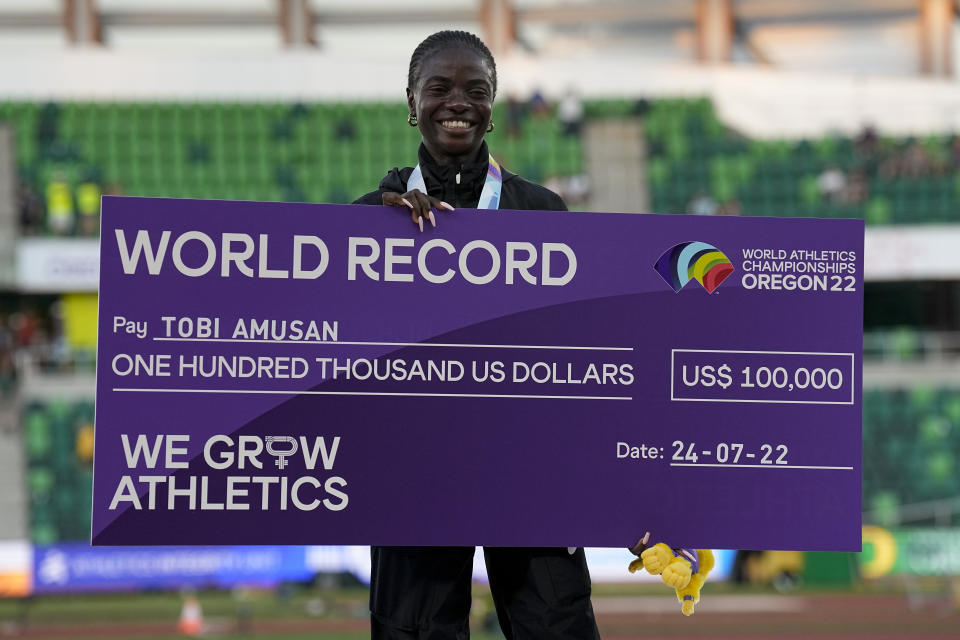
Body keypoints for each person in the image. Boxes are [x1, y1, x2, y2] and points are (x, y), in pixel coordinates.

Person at [353, 30, 601, 640]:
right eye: (438, 88)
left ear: (493, 108)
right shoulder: (367, 220)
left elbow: (580, 349)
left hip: (530, 467)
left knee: (555, 628)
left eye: (476, 90)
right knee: (415, 631)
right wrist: (379, 234)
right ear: (412, 102)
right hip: (414, 472)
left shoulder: (543, 213)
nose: (456, 102)